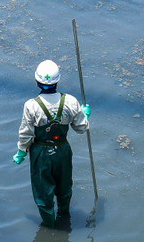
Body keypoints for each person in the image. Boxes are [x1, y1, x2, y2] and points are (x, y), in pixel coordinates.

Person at [13, 60, 91, 228]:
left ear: (37, 81)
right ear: (58, 80)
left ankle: (49, 227)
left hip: (40, 153)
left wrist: (21, 151)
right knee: (64, 187)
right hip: (62, 150)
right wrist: (84, 115)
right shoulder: (70, 101)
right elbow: (81, 128)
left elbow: (26, 133)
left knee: (43, 193)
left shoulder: (31, 106)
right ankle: (64, 216)